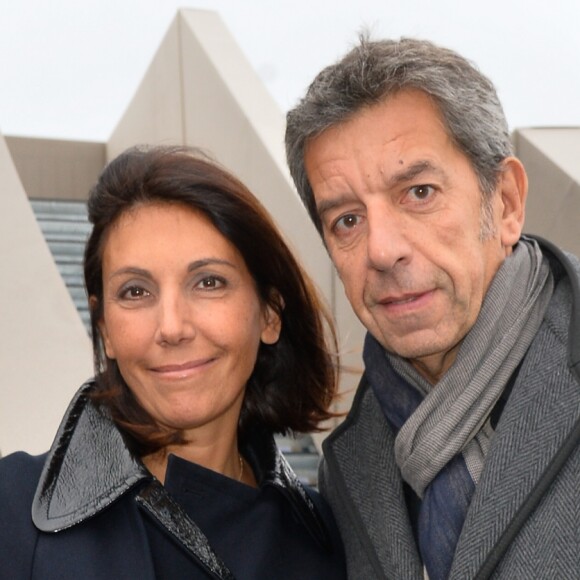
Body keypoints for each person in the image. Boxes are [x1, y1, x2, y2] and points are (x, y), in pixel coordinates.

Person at [285, 36, 580, 579]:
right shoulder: (347, 471)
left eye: (418, 192)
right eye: (347, 220)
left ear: (507, 201)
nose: (381, 250)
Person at [0, 145, 347, 579]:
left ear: (270, 314)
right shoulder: (11, 509)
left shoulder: (330, 540)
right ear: (105, 327)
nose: (172, 327)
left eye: (208, 282)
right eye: (136, 292)